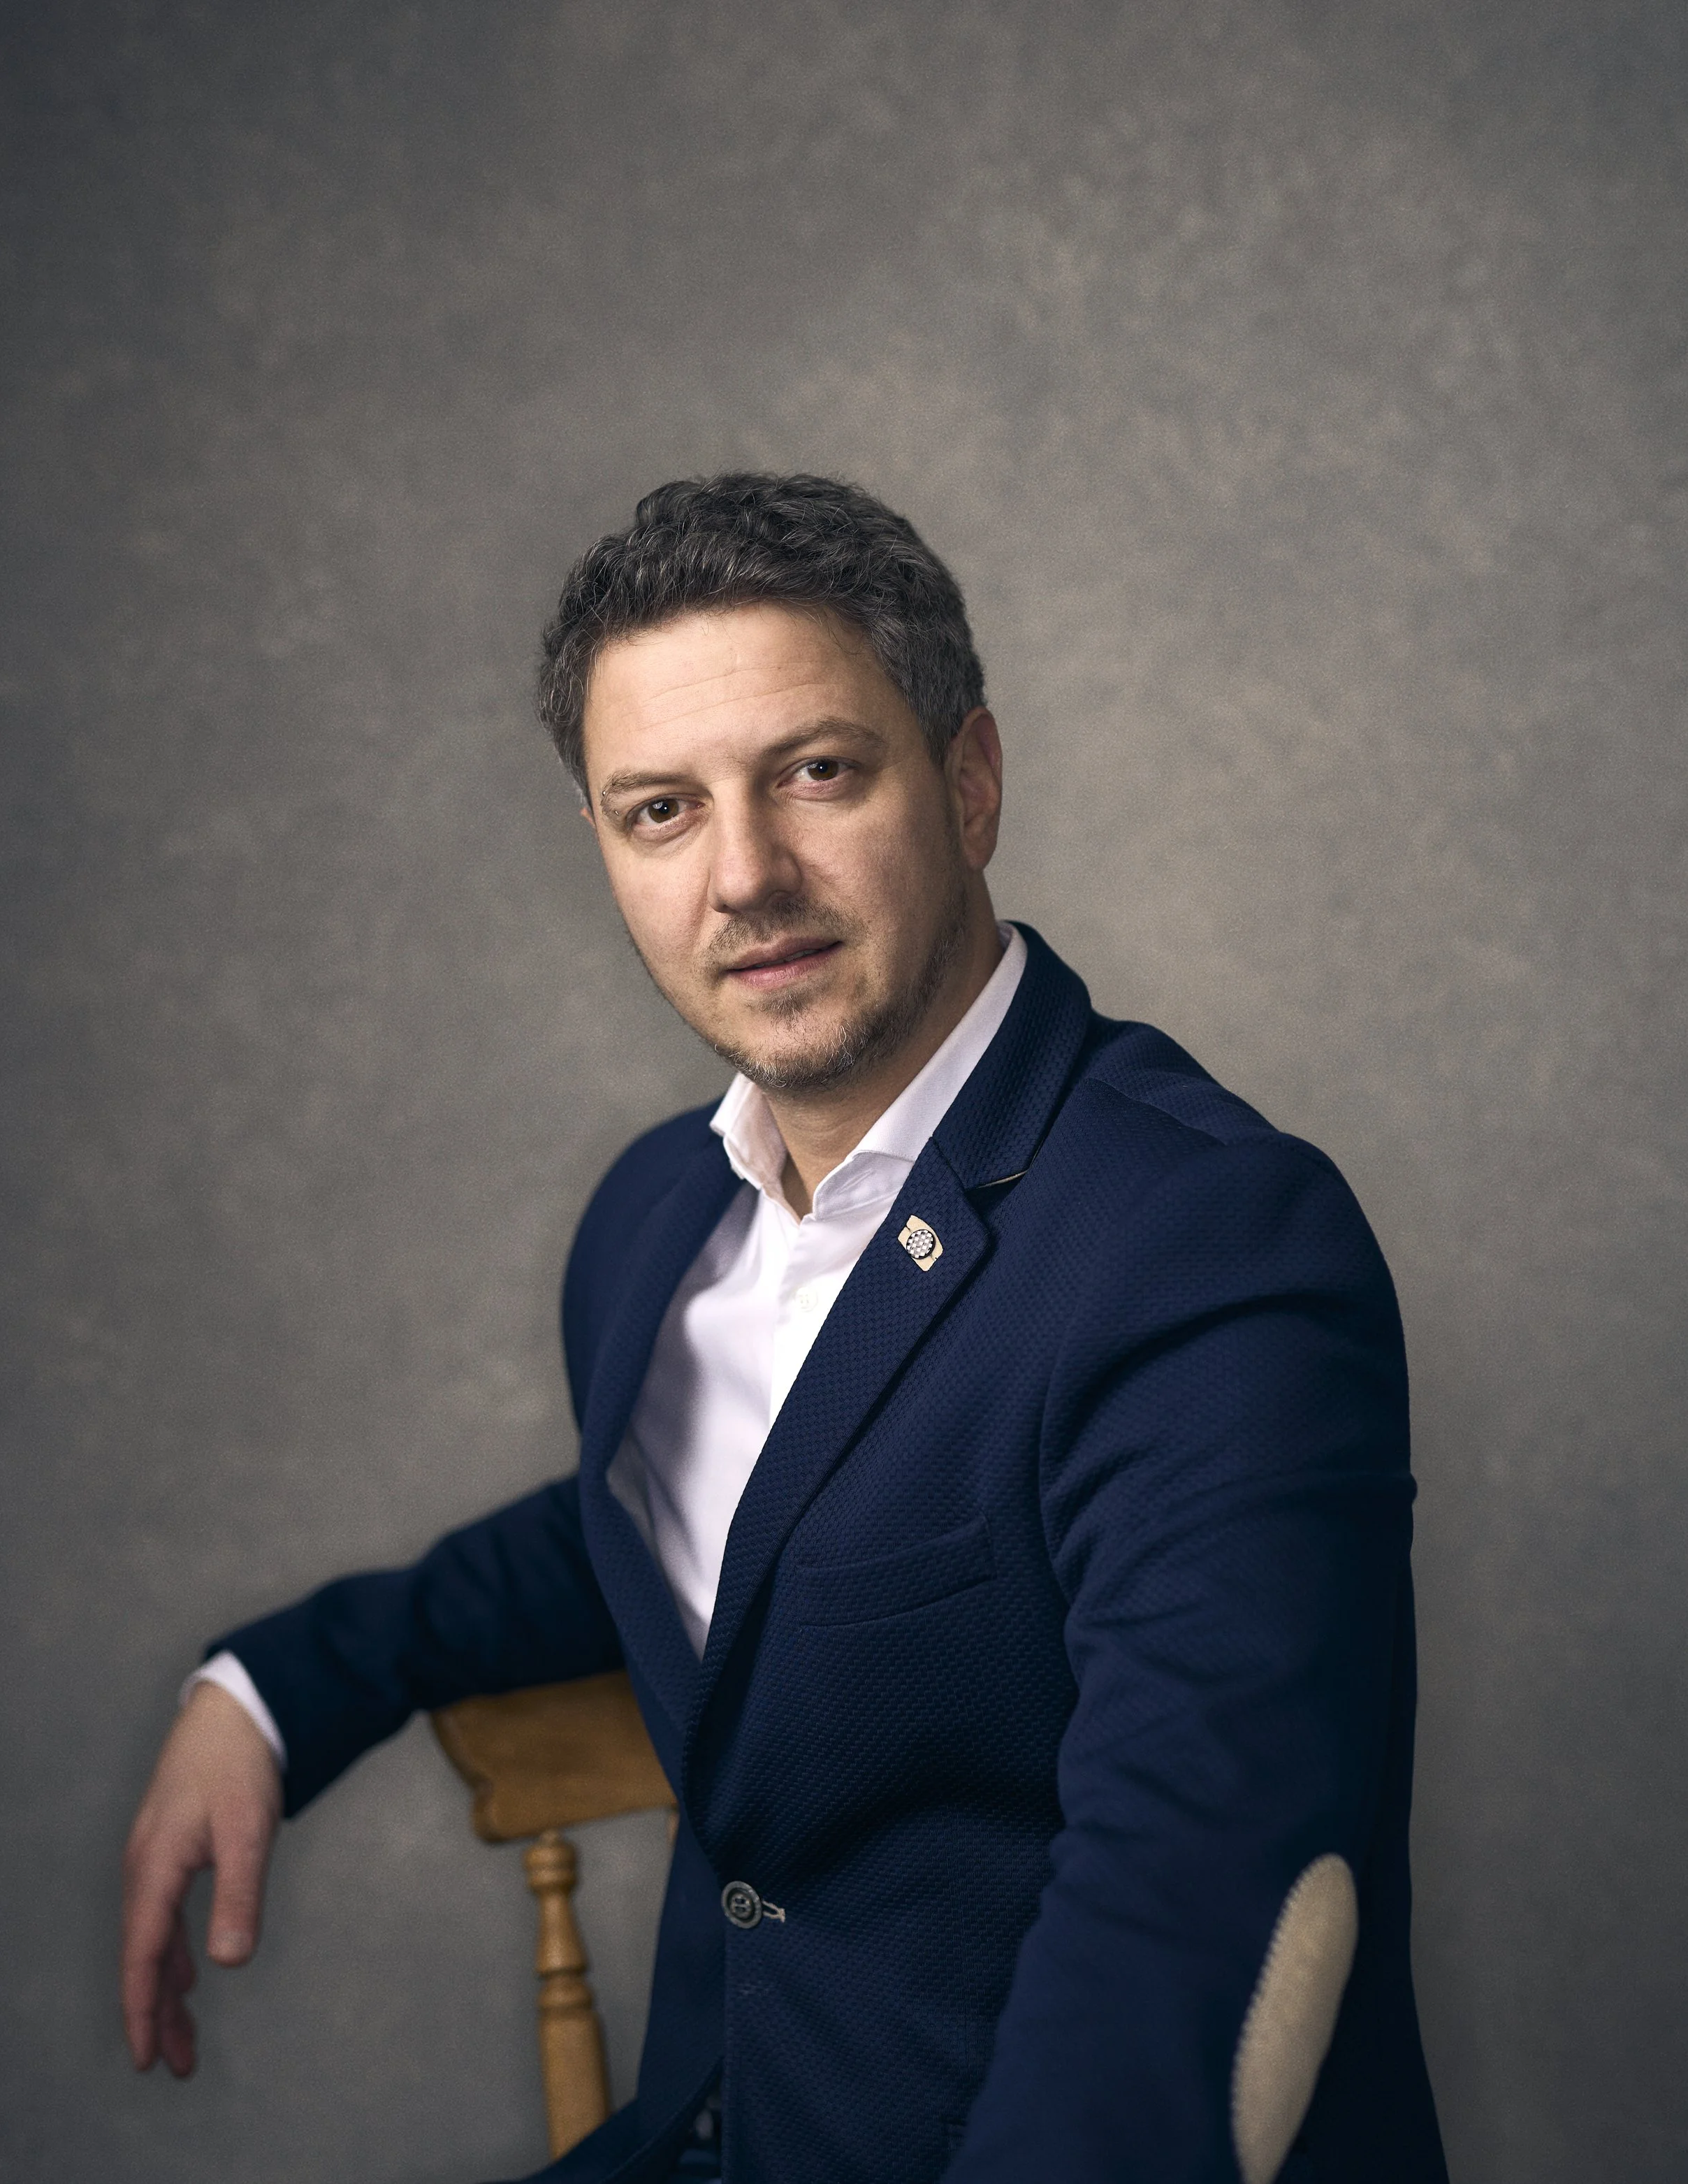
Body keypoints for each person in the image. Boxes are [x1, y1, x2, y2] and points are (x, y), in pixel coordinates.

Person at [120, 474, 1449, 2184]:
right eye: (659, 809)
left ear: (967, 783)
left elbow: (1194, 1891)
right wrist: (276, 1684)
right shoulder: (653, 1221)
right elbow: (685, 1535)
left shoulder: (1204, 1244)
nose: (744, 875)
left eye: (816, 772)